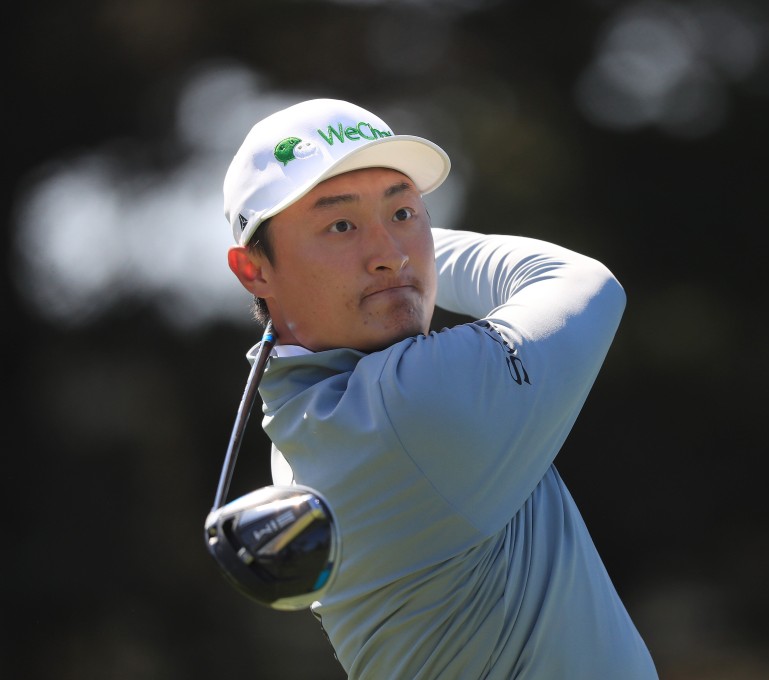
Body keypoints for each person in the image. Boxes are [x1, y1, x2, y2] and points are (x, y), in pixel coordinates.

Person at [222, 98, 658, 679]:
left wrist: (385, 243)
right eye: (341, 225)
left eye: (405, 213)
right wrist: (407, 246)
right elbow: (581, 282)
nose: (391, 254)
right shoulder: (416, 406)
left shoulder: (301, 425)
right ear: (254, 271)